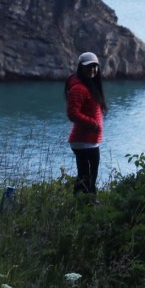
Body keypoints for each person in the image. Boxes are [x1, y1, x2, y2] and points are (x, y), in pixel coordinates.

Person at [65, 51, 106, 195]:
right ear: (81, 67)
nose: (93, 69)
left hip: (90, 140)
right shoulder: (78, 89)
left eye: (95, 66)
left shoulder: (90, 86)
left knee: (86, 176)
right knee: (88, 176)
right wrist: (93, 124)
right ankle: (89, 203)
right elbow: (72, 114)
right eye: (89, 66)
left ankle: (78, 202)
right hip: (83, 140)